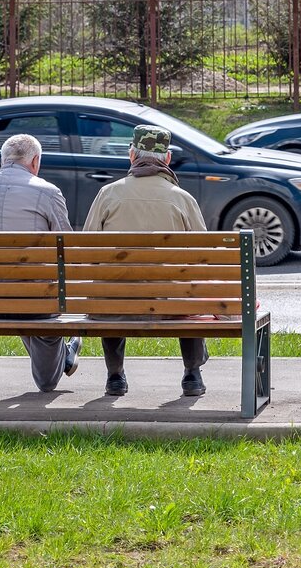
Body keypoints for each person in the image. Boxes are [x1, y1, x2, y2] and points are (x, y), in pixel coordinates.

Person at [81, 124, 209, 398]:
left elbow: (86, 248)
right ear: (167, 160)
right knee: (186, 290)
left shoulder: (108, 194)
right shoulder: (182, 199)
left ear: (131, 156)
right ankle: (192, 374)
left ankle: (115, 376)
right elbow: (203, 257)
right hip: (169, 305)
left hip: (112, 305)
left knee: (110, 286)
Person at [0, 133, 82, 391]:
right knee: (47, 383)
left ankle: (65, 351)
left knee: (13, 286)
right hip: (35, 304)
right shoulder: (48, 192)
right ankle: (65, 352)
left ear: (2, 160)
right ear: (35, 162)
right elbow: (68, 249)